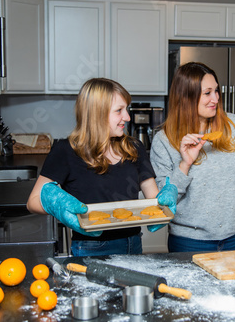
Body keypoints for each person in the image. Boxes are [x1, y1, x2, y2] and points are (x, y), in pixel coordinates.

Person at [27, 78, 176, 256]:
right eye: (119, 110)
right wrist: (55, 205)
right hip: (90, 248)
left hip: (133, 243)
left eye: (126, 109)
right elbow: (32, 201)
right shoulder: (66, 151)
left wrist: (166, 198)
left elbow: (153, 198)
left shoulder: (133, 147)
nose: (127, 117)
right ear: (97, 113)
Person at [150, 62, 235, 252]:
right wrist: (185, 164)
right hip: (189, 242)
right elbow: (163, 201)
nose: (215, 98)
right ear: (186, 97)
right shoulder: (164, 140)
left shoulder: (233, 124)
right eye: (207, 93)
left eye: (216, 91)